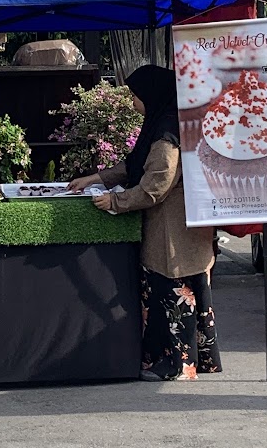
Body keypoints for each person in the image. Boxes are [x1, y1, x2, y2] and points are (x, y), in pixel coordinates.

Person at [68, 65, 222, 382]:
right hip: (184, 228)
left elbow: (156, 185)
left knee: (173, 291)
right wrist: (96, 178)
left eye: (135, 96)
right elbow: (135, 166)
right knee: (186, 289)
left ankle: (177, 366)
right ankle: (195, 361)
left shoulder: (167, 134)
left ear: (152, 95)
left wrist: (116, 202)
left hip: (174, 229)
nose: (133, 102)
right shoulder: (169, 122)